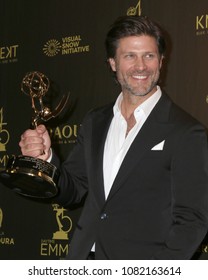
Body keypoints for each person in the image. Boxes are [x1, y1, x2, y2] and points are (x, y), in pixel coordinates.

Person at [19, 15, 208, 260]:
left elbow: (191, 221)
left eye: (149, 56)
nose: (141, 66)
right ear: (112, 63)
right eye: (130, 56)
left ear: (161, 61)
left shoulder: (186, 131)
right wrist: (46, 159)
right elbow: (72, 190)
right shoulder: (95, 121)